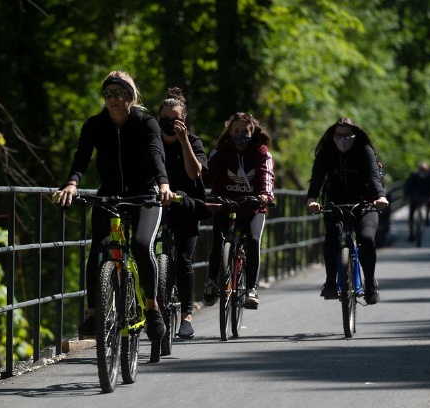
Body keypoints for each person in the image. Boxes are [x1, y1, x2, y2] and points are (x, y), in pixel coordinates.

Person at [54, 70, 175, 344]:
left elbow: (157, 154)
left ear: (131, 97)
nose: (113, 99)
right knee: (98, 248)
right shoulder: (95, 125)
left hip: (145, 195)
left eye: (119, 93)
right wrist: (72, 183)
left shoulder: (146, 123)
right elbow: (81, 157)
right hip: (109, 196)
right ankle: (95, 313)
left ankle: (153, 306)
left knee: (143, 245)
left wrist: (163, 185)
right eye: (108, 94)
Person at [305, 117, 389, 303]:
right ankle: (330, 283)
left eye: (347, 135)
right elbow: (317, 177)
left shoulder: (364, 149)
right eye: (339, 135)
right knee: (333, 235)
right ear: (333, 135)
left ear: (356, 134)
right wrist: (312, 199)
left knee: (366, 238)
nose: (343, 139)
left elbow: (374, 176)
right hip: (336, 203)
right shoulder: (327, 151)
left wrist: (380, 197)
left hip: (366, 203)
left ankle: (370, 283)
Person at [202, 112, 275, 310]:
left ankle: (251, 288)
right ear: (229, 131)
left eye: (245, 131)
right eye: (236, 131)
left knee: (253, 240)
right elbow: (207, 174)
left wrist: (265, 195)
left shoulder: (261, 152)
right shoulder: (221, 151)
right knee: (218, 243)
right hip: (224, 204)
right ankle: (211, 282)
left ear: (253, 131)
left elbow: (267, 175)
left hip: (253, 207)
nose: (240, 135)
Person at [156, 87, 209, 340]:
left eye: (174, 119)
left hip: (187, 205)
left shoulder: (194, 142)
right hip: (157, 204)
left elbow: (194, 172)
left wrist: (184, 140)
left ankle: (187, 315)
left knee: (185, 260)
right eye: (164, 119)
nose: (169, 124)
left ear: (183, 120)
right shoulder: (152, 141)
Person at [405, 162, 430, 232]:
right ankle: (411, 233)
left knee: (429, 203)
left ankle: (427, 218)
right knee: (411, 214)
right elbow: (408, 186)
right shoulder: (413, 175)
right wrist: (407, 196)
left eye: (424, 170)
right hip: (415, 196)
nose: (423, 171)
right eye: (421, 169)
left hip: (426, 195)